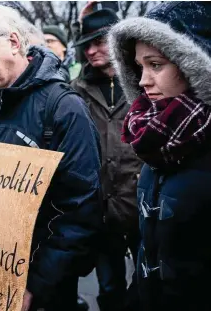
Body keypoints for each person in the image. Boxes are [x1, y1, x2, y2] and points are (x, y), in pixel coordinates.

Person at [0, 4, 103, 310]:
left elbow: (80, 212)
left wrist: (36, 285)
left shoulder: (64, 108)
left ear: (13, 42)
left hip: (38, 294)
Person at [109, 2, 211, 310]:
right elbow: (149, 248)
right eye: (139, 67)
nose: (142, 81)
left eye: (155, 65)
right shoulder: (156, 139)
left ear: (194, 63)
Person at [70, 8, 142, 311]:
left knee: (147, 285)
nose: (91, 50)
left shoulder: (144, 81)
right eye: (86, 44)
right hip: (101, 209)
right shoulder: (77, 91)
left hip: (140, 205)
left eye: (99, 42)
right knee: (109, 287)